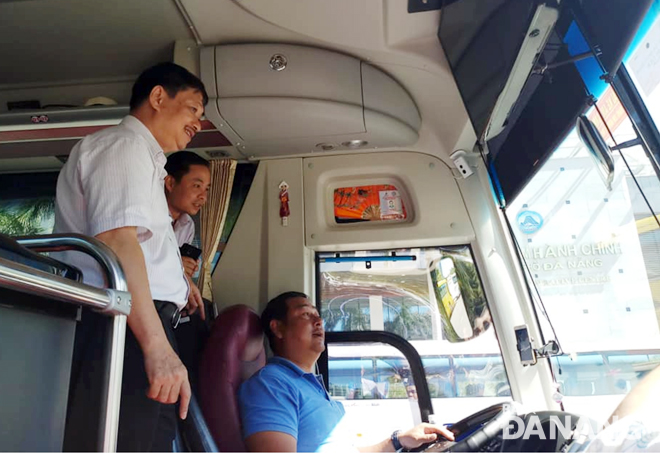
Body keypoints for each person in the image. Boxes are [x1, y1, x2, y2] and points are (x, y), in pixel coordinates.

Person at [54, 62, 208, 452]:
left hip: (138, 323)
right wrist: (157, 347)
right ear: (158, 97)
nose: (199, 124)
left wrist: (178, 279)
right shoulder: (122, 147)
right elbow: (120, 244)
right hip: (124, 325)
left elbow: (141, 246)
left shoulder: (147, 162)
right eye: (193, 109)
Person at [238, 291, 455, 452]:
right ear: (277, 328)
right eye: (305, 315)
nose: (319, 321)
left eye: (318, 315)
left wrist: (398, 440)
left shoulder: (311, 386)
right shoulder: (271, 385)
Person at [164, 151, 211, 320]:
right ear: (170, 183)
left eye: (206, 189)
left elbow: (178, 272)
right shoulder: (147, 220)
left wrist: (185, 271)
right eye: (197, 186)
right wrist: (176, 266)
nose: (203, 197)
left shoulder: (187, 225)